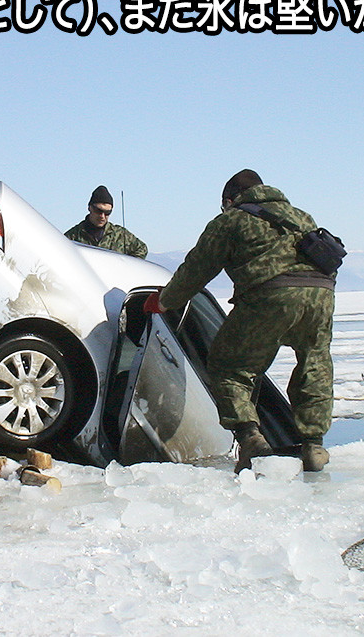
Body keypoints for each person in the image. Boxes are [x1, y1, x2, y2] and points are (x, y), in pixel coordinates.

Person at [143, 169, 336, 472]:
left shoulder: (231, 220)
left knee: (230, 366)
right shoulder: (301, 217)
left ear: (229, 200)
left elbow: (197, 269)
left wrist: (165, 300)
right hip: (321, 295)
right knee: (315, 364)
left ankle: (251, 439)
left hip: (270, 295)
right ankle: (314, 446)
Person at [64, 185, 148, 258]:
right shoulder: (72, 237)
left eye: (107, 213)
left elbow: (142, 249)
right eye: (98, 211)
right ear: (90, 208)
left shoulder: (120, 235)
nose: (102, 216)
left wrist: (126, 267)